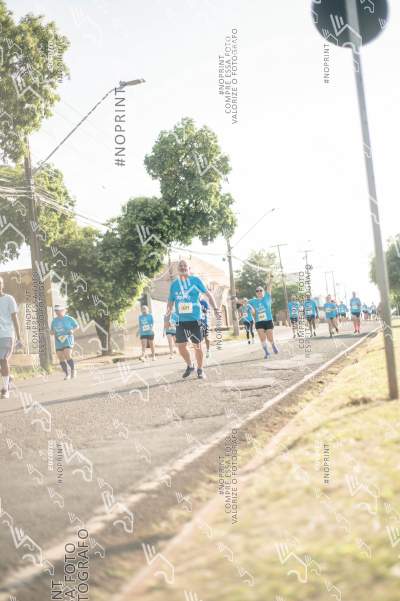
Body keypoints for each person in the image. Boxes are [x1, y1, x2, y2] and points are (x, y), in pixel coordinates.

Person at [165, 260, 219, 379]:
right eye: (180, 266)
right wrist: (166, 319)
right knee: (181, 346)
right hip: (180, 320)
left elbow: (208, 294)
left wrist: (215, 308)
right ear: (177, 269)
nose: (183, 267)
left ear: (189, 268)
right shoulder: (174, 284)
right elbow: (170, 302)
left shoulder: (196, 280)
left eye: (185, 266)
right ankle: (190, 365)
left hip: (195, 319)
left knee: (197, 346)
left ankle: (200, 369)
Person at [0, 277, 22, 399]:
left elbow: (15, 318)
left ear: (2, 285)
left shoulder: (9, 299)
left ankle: (5, 390)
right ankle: (7, 378)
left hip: (6, 334)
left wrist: (19, 337)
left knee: (3, 360)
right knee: (3, 363)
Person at [248, 274, 278, 359]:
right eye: (257, 291)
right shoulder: (253, 301)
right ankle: (266, 352)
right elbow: (245, 302)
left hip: (268, 320)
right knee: (262, 338)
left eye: (260, 290)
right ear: (256, 293)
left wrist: (271, 279)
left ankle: (273, 345)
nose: (259, 292)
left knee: (270, 338)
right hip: (259, 322)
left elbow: (269, 287)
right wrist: (235, 300)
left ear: (263, 292)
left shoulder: (267, 297)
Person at [50, 304, 79, 380]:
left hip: (67, 338)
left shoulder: (69, 318)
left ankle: (73, 370)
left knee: (67, 354)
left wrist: (72, 330)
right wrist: (52, 332)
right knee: (60, 357)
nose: (57, 312)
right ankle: (67, 374)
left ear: (63, 310)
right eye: (56, 310)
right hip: (58, 340)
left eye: (58, 310)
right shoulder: (54, 321)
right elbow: (51, 331)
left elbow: (77, 326)